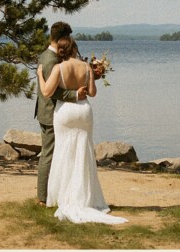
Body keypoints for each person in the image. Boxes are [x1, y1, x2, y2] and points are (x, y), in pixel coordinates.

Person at [38, 36, 127, 225]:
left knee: (63, 152)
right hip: (84, 111)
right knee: (83, 153)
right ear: (75, 50)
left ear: (61, 51)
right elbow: (93, 93)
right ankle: (85, 197)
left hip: (65, 112)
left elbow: (46, 92)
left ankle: (60, 196)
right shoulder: (86, 67)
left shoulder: (58, 68)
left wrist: (39, 75)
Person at [35, 21, 87, 207]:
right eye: (69, 38)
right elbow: (51, 91)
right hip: (50, 112)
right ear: (62, 38)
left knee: (58, 154)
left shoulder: (49, 55)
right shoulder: (50, 59)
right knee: (48, 155)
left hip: (52, 111)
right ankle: (42, 197)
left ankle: (56, 192)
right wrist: (75, 94)